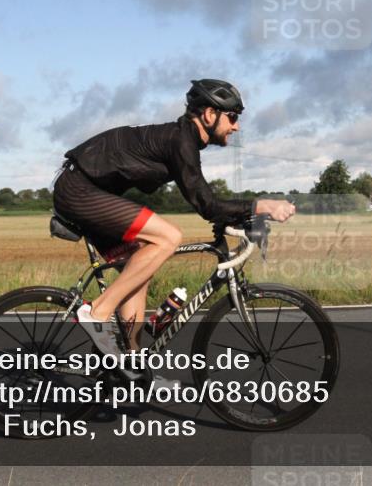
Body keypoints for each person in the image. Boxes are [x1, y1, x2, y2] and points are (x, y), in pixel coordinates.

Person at [52, 79, 295, 361]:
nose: (236, 126)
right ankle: (97, 312)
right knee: (168, 237)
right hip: (79, 189)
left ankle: (132, 363)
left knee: (139, 268)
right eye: (232, 117)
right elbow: (207, 204)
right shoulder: (180, 140)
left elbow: (205, 199)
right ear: (209, 114)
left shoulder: (183, 140)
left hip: (88, 188)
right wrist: (262, 204)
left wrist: (245, 215)